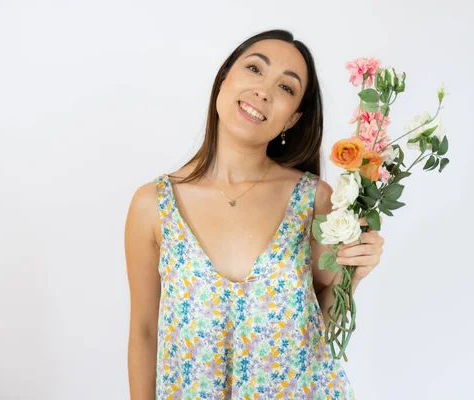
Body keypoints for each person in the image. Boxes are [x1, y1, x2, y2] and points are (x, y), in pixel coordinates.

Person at [125, 29, 384, 399]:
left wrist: (353, 276)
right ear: (224, 79)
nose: (264, 90)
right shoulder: (153, 204)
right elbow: (144, 331)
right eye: (254, 69)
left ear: (292, 119)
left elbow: (318, 327)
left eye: (286, 88)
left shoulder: (313, 201)